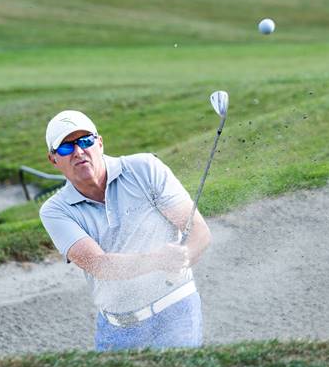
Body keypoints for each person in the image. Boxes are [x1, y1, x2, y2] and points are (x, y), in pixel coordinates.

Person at [39, 110, 210, 351]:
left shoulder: (144, 168)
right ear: (53, 159)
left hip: (176, 310)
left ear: (100, 143)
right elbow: (99, 264)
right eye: (66, 148)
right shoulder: (55, 210)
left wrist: (184, 257)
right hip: (117, 329)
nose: (78, 151)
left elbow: (199, 231)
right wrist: (159, 260)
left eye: (85, 141)